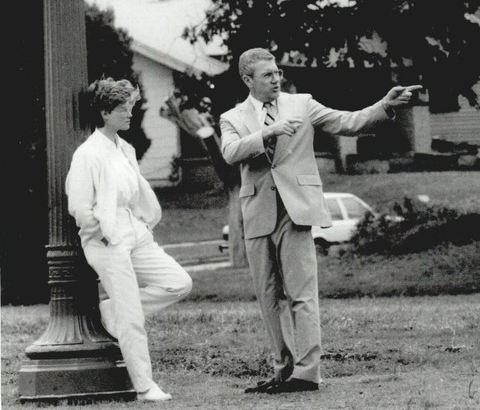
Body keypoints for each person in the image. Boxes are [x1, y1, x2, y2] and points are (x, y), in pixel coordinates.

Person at [219, 47, 421, 395]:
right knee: (268, 297)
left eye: (278, 73)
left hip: (297, 210)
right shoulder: (232, 117)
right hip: (257, 213)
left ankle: (307, 373)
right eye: (268, 75)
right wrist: (269, 132)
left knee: (302, 295)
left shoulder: (303, 104)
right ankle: (282, 370)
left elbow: (349, 121)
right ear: (247, 79)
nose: (277, 80)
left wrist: (385, 105)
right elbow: (230, 153)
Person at [65, 78, 193, 402]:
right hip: (107, 239)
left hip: (134, 231)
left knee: (179, 282)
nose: (129, 114)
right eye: (123, 108)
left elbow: (134, 194)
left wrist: (141, 225)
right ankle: (145, 386)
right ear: (105, 112)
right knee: (131, 315)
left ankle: (110, 312)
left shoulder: (125, 149)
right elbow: (79, 205)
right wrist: (103, 232)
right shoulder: (88, 154)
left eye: (131, 107)